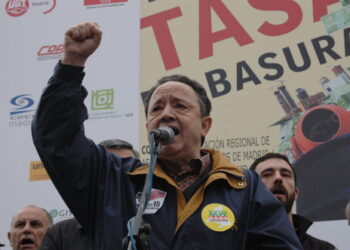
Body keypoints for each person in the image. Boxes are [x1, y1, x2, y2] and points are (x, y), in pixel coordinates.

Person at [31, 22, 302, 249]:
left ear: (205, 125)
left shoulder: (245, 187)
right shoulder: (111, 180)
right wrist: (71, 66)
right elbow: (56, 138)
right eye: (156, 108)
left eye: (180, 106)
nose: (166, 114)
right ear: (148, 125)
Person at [39, 139, 140, 250]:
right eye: (110, 170)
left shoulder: (154, 226)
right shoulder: (59, 234)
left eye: (128, 167)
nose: (118, 177)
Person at [250, 153, 337, 250]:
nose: (278, 178)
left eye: (285, 175)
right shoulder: (236, 245)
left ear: (296, 193)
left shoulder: (324, 249)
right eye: (267, 174)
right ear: (251, 193)